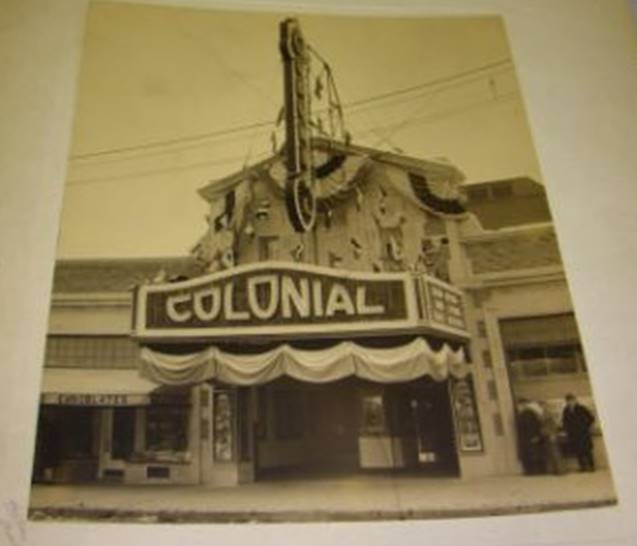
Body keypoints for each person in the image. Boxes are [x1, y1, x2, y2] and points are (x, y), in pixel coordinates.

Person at [562, 393, 596, 472]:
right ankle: (582, 467)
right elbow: (564, 421)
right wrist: (567, 429)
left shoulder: (581, 408)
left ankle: (591, 466)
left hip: (583, 433)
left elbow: (591, 418)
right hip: (573, 434)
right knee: (578, 451)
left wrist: (585, 426)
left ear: (575, 400)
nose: (570, 402)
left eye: (572, 400)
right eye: (568, 401)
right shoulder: (566, 410)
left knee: (587, 451)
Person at [516, 398, 545, 475]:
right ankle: (530, 471)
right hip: (526, 438)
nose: (519, 407)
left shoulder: (528, 414)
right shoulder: (522, 414)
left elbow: (534, 426)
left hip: (530, 438)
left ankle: (535, 471)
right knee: (529, 454)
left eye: (520, 405)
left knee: (533, 455)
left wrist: (536, 436)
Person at [539, 401, 566, 475]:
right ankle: (557, 470)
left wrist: (553, 435)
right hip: (548, 436)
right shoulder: (545, 414)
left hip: (551, 435)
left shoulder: (547, 415)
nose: (543, 407)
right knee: (553, 453)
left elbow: (552, 426)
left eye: (543, 406)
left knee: (555, 453)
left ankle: (560, 470)